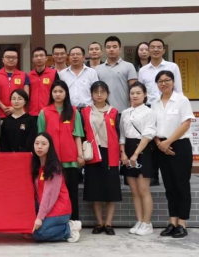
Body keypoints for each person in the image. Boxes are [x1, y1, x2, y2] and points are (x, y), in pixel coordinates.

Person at [152, 70, 195, 239]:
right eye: (160, 81)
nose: (164, 83)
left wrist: (168, 142)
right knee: (169, 186)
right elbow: (152, 126)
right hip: (161, 146)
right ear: (157, 84)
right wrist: (160, 144)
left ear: (173, 82)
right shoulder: (154, 103)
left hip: (179, 146)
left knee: (181, 185)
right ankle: (172, 222)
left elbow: (186, 124)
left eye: (167, 80)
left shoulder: (182, 100)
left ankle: (182, 223)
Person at [37, 81, 85, 221]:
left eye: (61, 91)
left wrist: (80, 155)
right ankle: (54, 222)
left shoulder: (74, 112)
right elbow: (41, 139)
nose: (57, 94)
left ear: (66, 94)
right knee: (51, 193)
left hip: (71, 160)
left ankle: (74, 222)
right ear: (51, 93)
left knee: (72, 193)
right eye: (55, 91)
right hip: (52, 160)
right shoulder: (44, 112)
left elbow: (77, 135)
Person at [81, 81, 122, 235]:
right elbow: (82, 133)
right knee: (95, 190)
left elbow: (119, 134)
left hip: (109, 153)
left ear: (107, 94)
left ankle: (108, 223)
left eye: (102, 92)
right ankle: (99, 223)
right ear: (91, 94)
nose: (99, 95)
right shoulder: (85, 112)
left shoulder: (114, 112)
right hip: (93, 153)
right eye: (96, 92)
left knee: (111, 190)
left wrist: (121, 153)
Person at [119, 82, 156, 236]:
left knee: (143, 189)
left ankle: (147, 223)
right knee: (134, 190)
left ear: (145, 94)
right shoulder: (125, 112)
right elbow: (122, 135)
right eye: (132, 93)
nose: (135, 96)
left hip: (143, 150)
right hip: (127, 149)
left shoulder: (149, 112)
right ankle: (139, 221)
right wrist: (123, 153)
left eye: (138, 93)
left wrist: (136, 154)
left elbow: (148, 134)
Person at [31, 132, 81, 243]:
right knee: (29, 230)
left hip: (59, 209)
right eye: (37, 143)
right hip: (45, 208)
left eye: (44, 144)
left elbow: (48, 195)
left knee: (38, 234)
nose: (39, 146)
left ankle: (68, 229)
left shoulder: (54, 168)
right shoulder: (36, 166)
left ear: (50, 147)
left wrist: (39, 218)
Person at [95, 36, 137, 112]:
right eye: (108, 47)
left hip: (124, 110)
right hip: (103, 111)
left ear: (120, 49)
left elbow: (135, 89)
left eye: (114, 47)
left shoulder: (129, 66)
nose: (111, 49)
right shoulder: (98, 69)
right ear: (105, 50)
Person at [138, 39, 183, 105]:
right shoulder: (142, 70)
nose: (156, 50)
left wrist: (180, 104)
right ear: (149, 50)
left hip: (169, 104)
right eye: (152, 47)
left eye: (159, 47)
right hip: (149, 106)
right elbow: (140, 91)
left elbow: (178, 90)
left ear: (163, 51)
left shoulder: (172, 67)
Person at [0, 48, 30, 119]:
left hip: (19, 114)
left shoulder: (23, 75)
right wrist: (4, 108)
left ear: (17, 60)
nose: (11, 59)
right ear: (3, 59)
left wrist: (15, 108)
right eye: (8, 57)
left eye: (14, 57)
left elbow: (26, 95)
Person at [27, 47, 59, 116]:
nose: (39, 58)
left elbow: (57, 91)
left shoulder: (53, 73)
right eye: (36, 56)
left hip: (49, 111)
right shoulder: (28, 75)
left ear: (46, 58)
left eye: (41, 55)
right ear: (33, 59)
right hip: (32, 112)